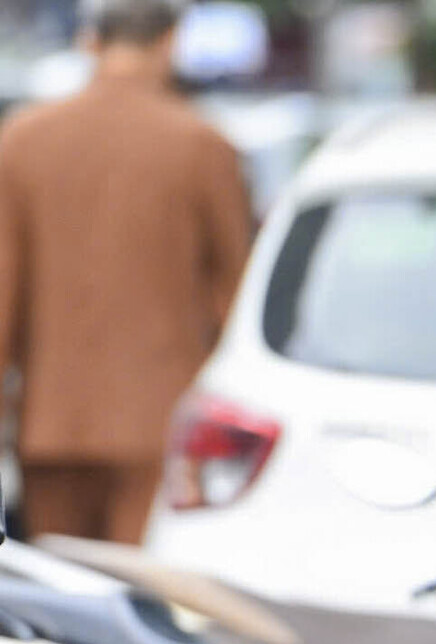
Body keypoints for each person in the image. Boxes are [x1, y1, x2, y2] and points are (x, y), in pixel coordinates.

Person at [0, 0, 253, 544]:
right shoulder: (202, 145)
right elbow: (235, 291)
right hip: (166, 420)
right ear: (170, 42)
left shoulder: (21, 139)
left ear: (91, 43)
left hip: (50, 419)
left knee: (61, 599)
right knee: (146, 598)